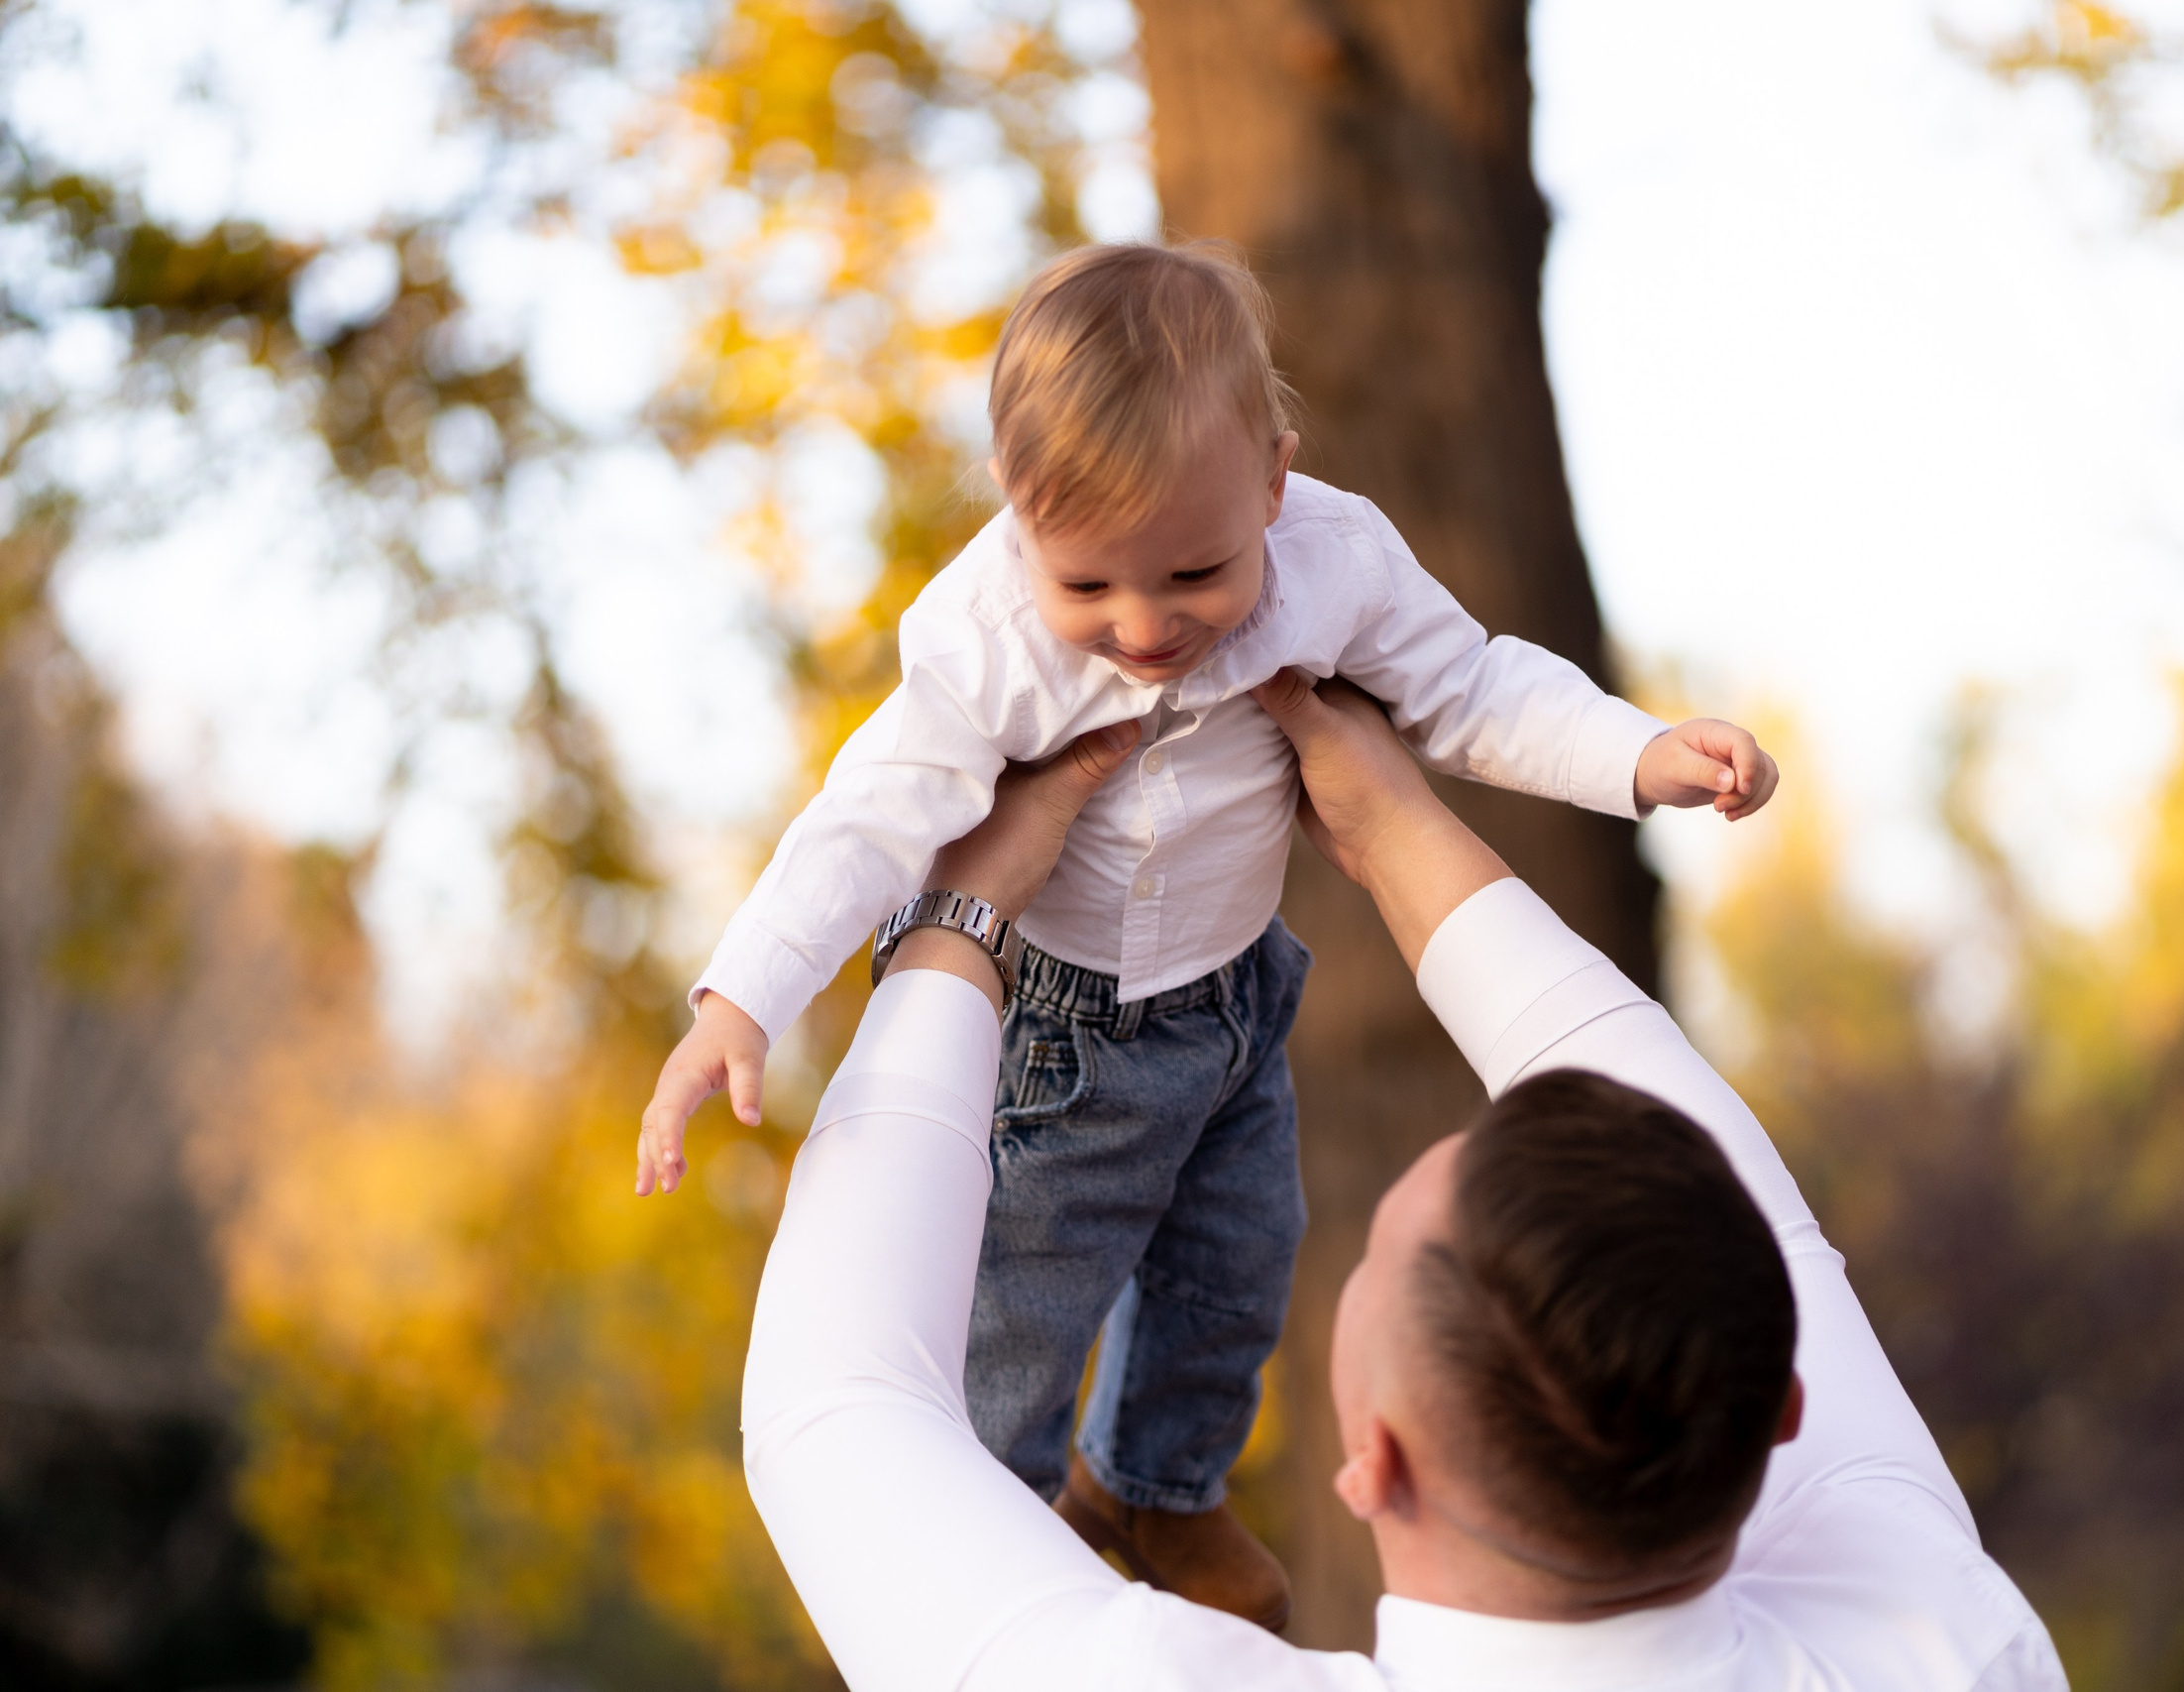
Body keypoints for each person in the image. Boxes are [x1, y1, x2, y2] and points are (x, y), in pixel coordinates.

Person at [637, 240, 1780, 1628]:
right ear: (1014, 518)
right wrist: (741, 996)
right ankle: (992, 1534)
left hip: (1237, 1002)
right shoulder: (987, 636)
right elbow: (869, 816)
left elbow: (1468, 688)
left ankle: (1159, 1486)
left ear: (1275, 482)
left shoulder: (1333, 562)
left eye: (1193, 571)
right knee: (1023, 1311)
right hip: (1056, 1041)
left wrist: (1640, 754)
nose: (1143, 624)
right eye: (1090, 587)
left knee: (1239, 1270)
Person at [737, 670, 2069, 1690]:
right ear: (1783, 1409)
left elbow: (832, 1397)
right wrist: (1391, 824)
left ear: (1373, 1463)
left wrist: (964, 907)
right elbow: (1691, 1155)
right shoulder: (1942, 1637)